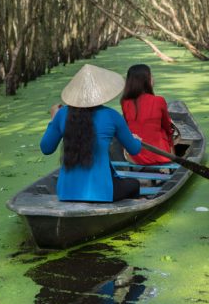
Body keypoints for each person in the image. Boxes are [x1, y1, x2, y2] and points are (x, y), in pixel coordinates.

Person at [40, 64, 143, 202]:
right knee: (134, 184)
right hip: (101, 193)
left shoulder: (62, 114)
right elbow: (134, 149)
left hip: (65, 193)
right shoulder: (112, 116)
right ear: (101, 93)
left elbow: (46, 148)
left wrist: (54, 120)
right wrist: (137, 140)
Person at [120, 64, 176, 166]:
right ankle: (170, 162)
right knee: (167, 130)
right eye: (151, 76)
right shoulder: (159, 100)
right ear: (147, 80)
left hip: (134, 157)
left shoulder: (124, 102)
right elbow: (167, 127)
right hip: (159, 155)